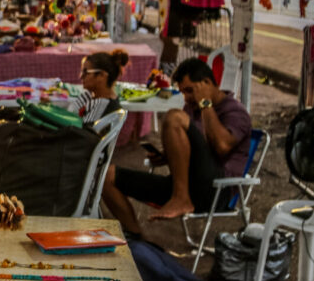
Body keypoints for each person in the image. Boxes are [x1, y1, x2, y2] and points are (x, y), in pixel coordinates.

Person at [101, 57, 252, 235]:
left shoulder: (235, 111)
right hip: (184, 185)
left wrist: (205, 103)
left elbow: (222, 146)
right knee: (106, 176)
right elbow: (196, 150)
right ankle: (138, 239)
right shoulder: (191, 107)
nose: (187, 98)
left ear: (206, 83)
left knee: (174, 117)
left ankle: (181, 199)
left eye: (190, 91)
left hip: (216, 191)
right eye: (183, 93)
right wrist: (167, 156)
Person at [72, 49, 128, 127]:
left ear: (102, 75)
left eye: (86, 72)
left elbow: (85, 136)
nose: (81, 77)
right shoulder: (92, 97)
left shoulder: (103, 107)